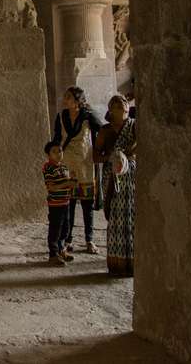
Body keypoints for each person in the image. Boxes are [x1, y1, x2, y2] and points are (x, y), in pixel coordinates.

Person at [52, 86, 104, 254]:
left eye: (68, 97)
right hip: (67, 163)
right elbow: (57, 138)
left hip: (85, 164)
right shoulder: (62, 116)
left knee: (87, 205)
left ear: (77, 101)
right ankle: (68, 239)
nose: (64, 99)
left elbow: (101, 129)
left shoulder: (87, 116)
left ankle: (89, 240)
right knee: (70, 203)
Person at [95, 94, 137, 276]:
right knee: (116, 217)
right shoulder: (105, 131)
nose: (122, 107)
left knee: (132, 216)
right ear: (110, 111)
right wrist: (112, 158)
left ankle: (134, 261)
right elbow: (95, 156)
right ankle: (117, 262)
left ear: (128, 109)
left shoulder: (134, 127)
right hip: (112, 176)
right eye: (117, 105)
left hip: (132, 175)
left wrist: (127, 155)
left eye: (124, 104)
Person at [43, 140, 75, 266]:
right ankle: (53, 255)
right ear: (48, 155)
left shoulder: (63, 167)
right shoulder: (48, 168)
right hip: (55, 205)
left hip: (65, 203)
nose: (58, 154)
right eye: (54, 152)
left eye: (60, 151)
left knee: (65, 229)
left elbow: (68, 184)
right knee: (55, 229)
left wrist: (72, 179)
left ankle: (62, 250)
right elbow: (51, 187)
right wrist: (67, 183)